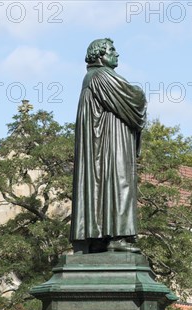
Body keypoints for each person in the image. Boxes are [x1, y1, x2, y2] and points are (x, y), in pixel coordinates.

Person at [70, 38, 147, 253]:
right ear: (100, 55)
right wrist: (140, 96)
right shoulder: (101, 76)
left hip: (104, 144)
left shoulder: (91, 78)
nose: (117, 54)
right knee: (119, 182)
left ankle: (99, 238)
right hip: (111, 146)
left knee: (104, 187)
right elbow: (134, 99)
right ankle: (116, 237)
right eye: (112, 50)